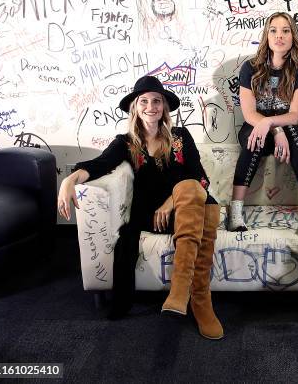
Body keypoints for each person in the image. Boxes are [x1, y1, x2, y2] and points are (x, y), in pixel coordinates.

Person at [58, 76, 224, 340]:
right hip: (151, 216)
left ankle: (183, 295)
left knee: (193, 191)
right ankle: (200, 302)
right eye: (144, 101)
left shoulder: (181, 136)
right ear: (135, 107)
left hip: (186, 206)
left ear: (164, 107)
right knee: (206, 213)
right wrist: (69, 179)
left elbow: (201, 178)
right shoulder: (126, 143)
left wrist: (172, 201)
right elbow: (98, 165)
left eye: (157, 101)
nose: (151, 106)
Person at [227, 11, 298, 243]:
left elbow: (294, 115)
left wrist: (274, 124)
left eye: (285, 30)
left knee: (294, 133)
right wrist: (272, 128)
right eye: (273, 30)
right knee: (253, 137)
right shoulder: (250, 68)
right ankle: (235, 212)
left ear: (293, 36)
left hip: (286, 129)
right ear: (266, 36)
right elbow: (250, 113)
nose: (279, 36)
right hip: (256, 127)